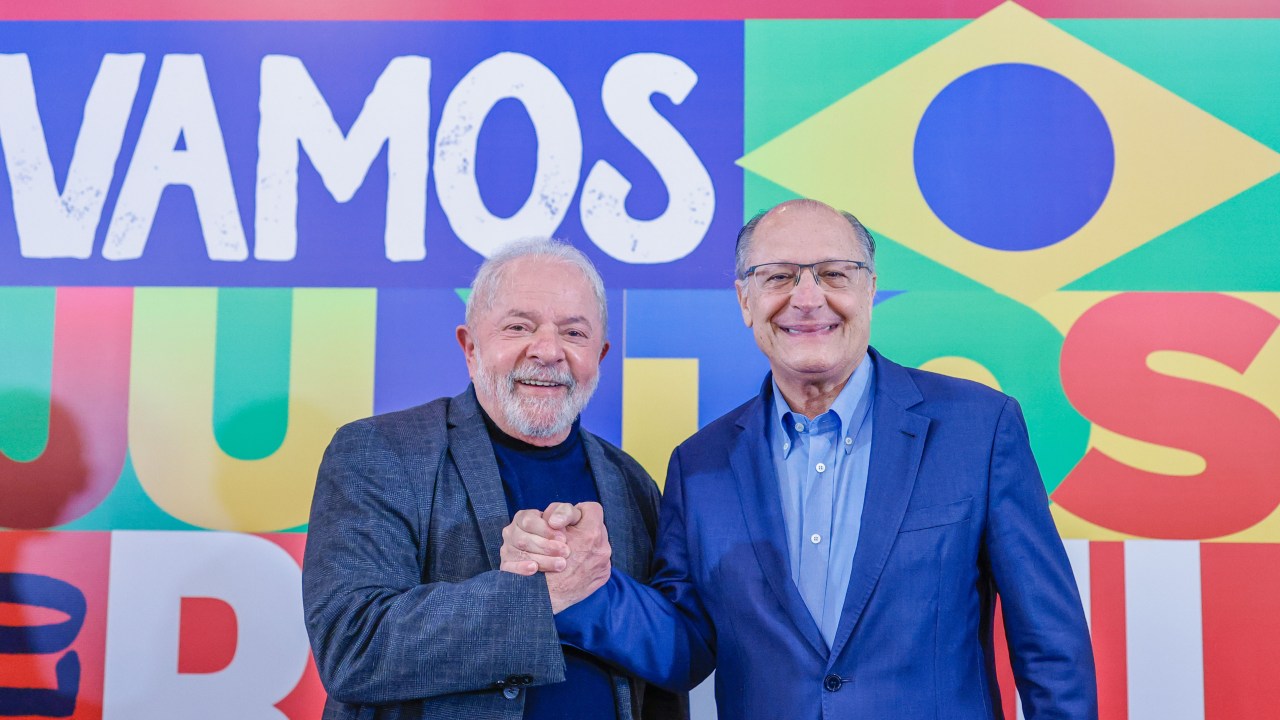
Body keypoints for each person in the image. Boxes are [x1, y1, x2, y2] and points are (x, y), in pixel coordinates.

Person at [503, 200, 1098, 719]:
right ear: (744, 300)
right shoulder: (699, 463)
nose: (807, 298)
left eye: (835, 274)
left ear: (870, 289)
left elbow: (1049, 642)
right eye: (779, 276)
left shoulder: (978, 428)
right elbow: (685, 645)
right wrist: (584, 589)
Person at [302, 238, 682, 720]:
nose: (548, 351)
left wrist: (597, 591)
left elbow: (666, 668)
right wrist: (542, 596)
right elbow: (354, 645)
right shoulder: (380, 452)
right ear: (470, 347)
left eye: (574, 333)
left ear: (600, 356)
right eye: (518, 326)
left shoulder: (633, 484)